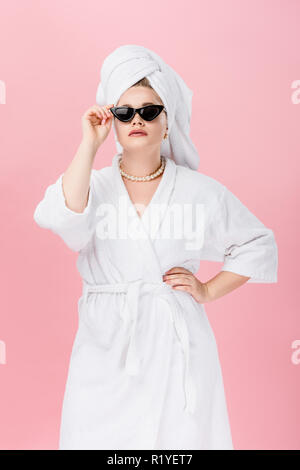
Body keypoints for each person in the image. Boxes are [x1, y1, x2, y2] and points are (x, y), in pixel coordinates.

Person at [33, 46, 278, 450]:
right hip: (106, 342)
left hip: (175, 343)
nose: (137, 120)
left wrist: (208, 289)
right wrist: (89, 145)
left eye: (150, 111)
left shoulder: (198, 190)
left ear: (168, 123)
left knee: (178, 441)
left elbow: (257, 242)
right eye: (124, 112)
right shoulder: (96, 185)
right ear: (112, 122)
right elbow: (63, 217)